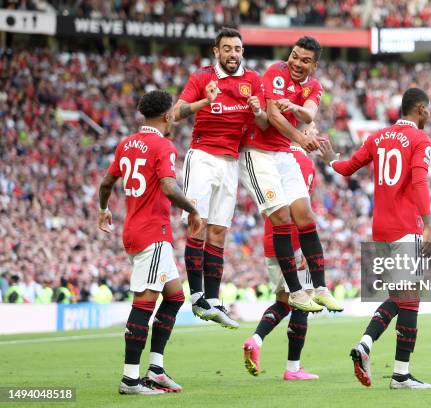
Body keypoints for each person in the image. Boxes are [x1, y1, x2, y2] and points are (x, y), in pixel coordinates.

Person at [320, 88, 431, 390]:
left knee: (401, 297)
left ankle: (371, 350)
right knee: (409, 300)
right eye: (428, 111)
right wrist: (430, 222)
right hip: (405, 226)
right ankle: (397, 371)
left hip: (380, 229)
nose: (429, 116)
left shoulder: (378, 137)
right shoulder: (420, 139)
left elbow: (347, 168)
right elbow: (420, 180)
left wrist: (331, 160)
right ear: (420, 109)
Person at [98, 89, 204, 395]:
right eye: (172, 114)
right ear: (167, 115)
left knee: (173, 297)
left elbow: (107, 183)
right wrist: (194, 210)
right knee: (144, 303)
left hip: (132, 229)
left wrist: (103, 210)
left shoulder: (126, 144)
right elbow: (169, 188)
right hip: (152, 233)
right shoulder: (163, 145)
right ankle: (130, 378)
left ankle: (155, 369)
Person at [173, 27, 267, 329]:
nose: (233, 54)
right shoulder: (202, 78)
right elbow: (175, 113)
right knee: (198, 223)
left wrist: (258, 112)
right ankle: (197, 295)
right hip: (202, 156)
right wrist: (204, 102)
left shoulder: (252, 80)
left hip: (230, 162)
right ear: (216, 51)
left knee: (218, 232)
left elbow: (264, 124)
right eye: (227, 49)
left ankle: (212, 301)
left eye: (238, 49)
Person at [239, 36, 341, 313]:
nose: (296, 62)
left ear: (314, 66)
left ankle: (320, 288)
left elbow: (309, 114)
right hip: (257, 153)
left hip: (283, 153)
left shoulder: (315, 86)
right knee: (282, 216)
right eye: (294, 55)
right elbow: (272, 115)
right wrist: (298, 135)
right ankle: (295, 291)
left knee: (305, 215)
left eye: (304, 60)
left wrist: (298, 110)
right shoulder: (276, 72)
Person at [243, 125, 320, 381]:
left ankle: (255, 339)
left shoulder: (270, 157)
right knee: (302, 301)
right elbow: (303, 215)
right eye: (312, 128)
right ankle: (293, 368)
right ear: (301, 132)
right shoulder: (302, 163)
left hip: (271, 239)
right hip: (294, 243)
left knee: (283, 303)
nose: (316, 132)